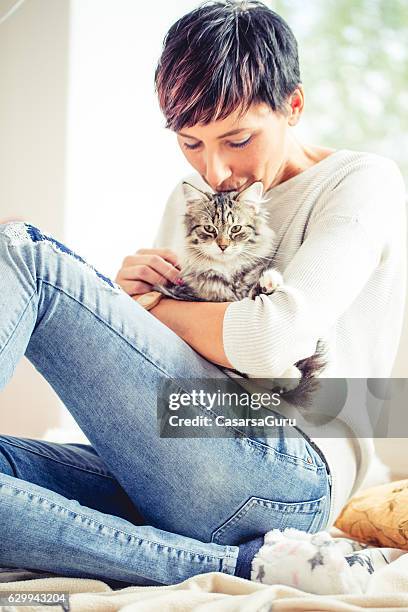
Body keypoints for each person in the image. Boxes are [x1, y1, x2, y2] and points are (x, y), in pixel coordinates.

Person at [0, 0, 405, 588]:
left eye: (236, 138)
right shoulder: (191, 201)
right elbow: (183, 370)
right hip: (185, 452)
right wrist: (127, 310)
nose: (215, 170)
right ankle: (237, 566)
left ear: (294, 105)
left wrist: (157, 310)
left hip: (290, 472)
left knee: (20, 252)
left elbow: (272, 340)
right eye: (191, 143)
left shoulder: (363, 182)